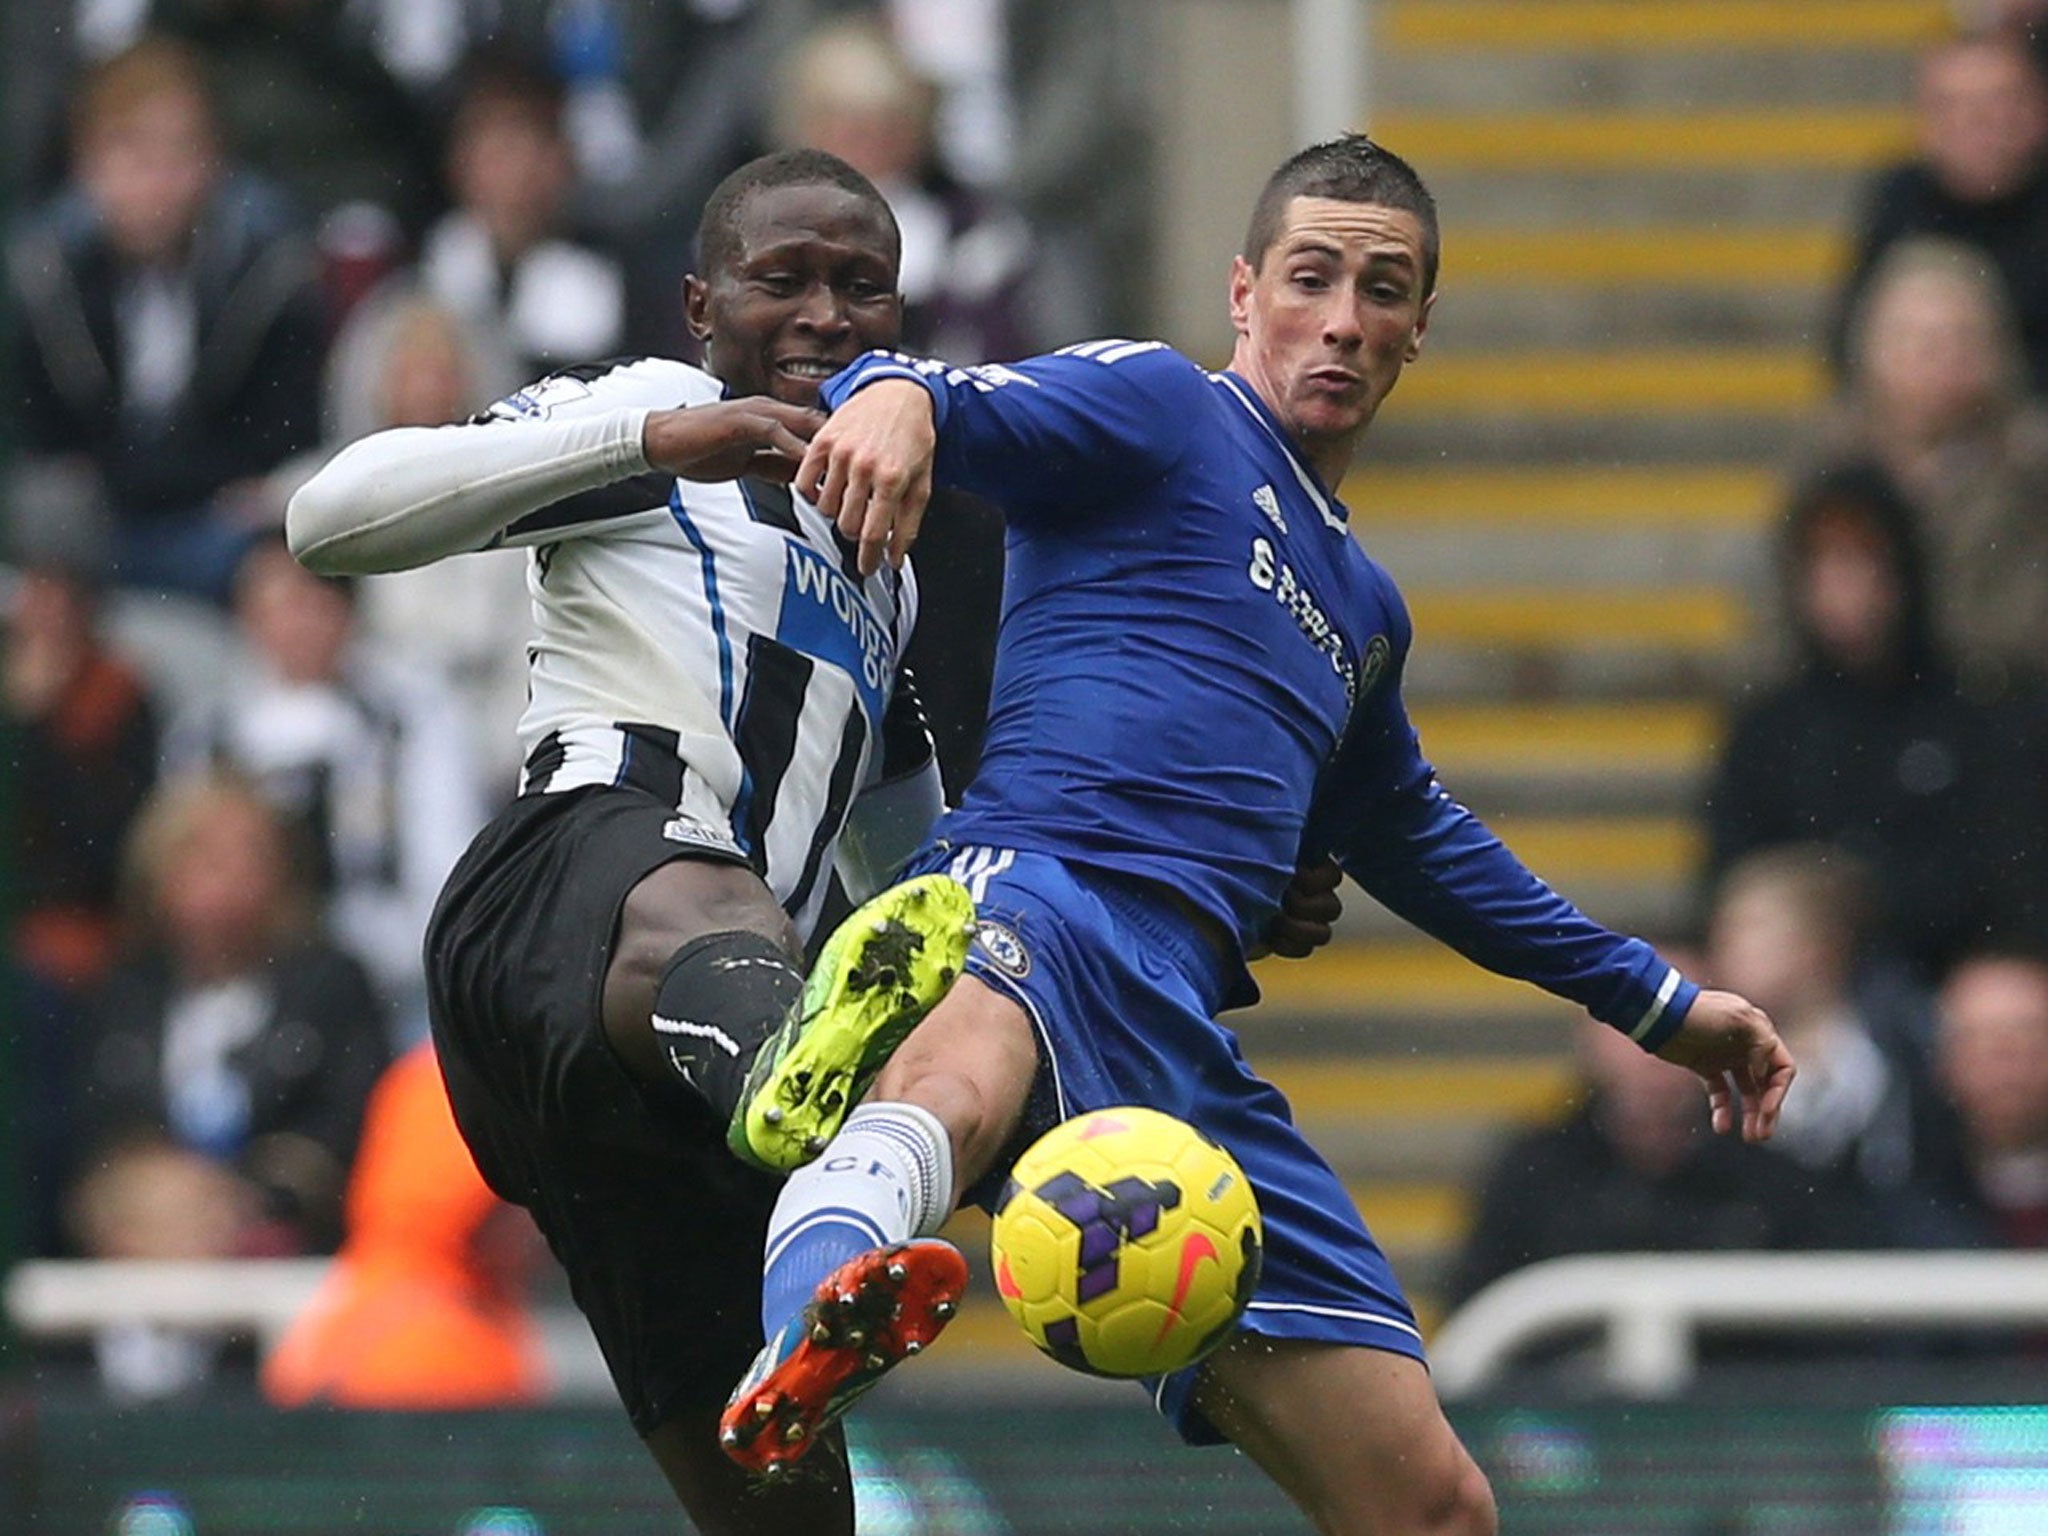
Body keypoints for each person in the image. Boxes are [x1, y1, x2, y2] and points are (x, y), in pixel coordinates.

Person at [720, 136, 1796, 1536]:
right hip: (1039, 882)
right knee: (984, 1037)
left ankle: (846, 1264)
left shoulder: (1363, 610)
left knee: (1432, 1505)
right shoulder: (1165, 411)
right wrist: (895, 401)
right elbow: (940, 398)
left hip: (1183, 1036)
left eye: (1382, 290)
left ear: (1420, 330)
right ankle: (811, 1313)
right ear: (1245, 292)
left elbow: (1423, 840)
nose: (1342, 318)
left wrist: (1656, 1002)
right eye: (1312, 278)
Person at [283, 148, 1350, 1534]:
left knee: (784, 1505)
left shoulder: (884, 578)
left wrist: (1232, 882)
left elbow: (928, 888)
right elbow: (328, 522)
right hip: (567, 902)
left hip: (662, 1110)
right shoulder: (650, 408)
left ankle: (809, 1126)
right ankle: (800, 1073)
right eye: (781, 279)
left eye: (863, 289)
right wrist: (672, 441)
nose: (826, 316)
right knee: (718, 903)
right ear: (699, 304)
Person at [2, 34, 329, 603]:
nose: (156, 181)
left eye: (179, 153)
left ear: (216, 161)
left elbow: (283, 425)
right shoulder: (46, 276)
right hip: (93, 534)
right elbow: (41, 434)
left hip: (221, 528)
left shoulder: (267, 269)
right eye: (131, 152)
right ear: (86, 163)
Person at [1703, 461, 2048, 981]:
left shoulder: (1975, 714)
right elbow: (1728, 872)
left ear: (1902, 572)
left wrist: (1866, 903)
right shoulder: (1770, 729)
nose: (1844, 587)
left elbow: (2002, 874)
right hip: (1803, 990)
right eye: (1823, 564)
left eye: (1861, 561)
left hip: (1943, 983)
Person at [1804, 237, 2048, 695]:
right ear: (1868, 347)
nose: (1940, 360)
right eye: (1916, 339)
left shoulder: (2033, 472)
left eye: (1961, 336)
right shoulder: (1826, 471)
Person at [262, 1041, 549, 1409]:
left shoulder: (358, 1296)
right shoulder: (440, 1347)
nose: (539, 1221)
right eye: (524, 1194)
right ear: (477, 1202)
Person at [1828, 29, 2048, 392]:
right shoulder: (1899, 195)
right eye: (1953, 105)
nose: (1980, 122)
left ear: (2039, 109)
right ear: (1923, 118)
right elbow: (1849, 342)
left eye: (2000, 102)